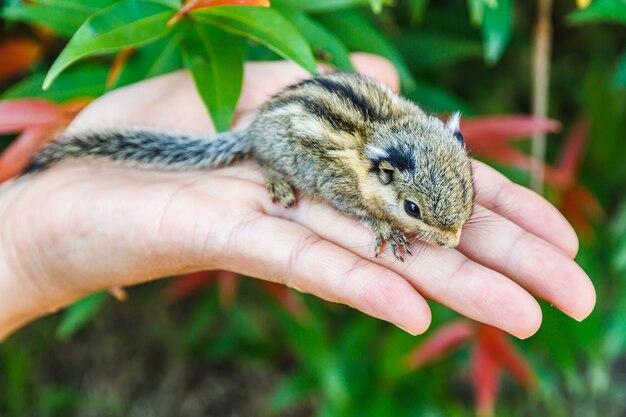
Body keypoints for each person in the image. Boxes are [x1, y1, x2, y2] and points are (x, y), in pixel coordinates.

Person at [0, 54, 595, 340]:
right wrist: (380, 220)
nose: (447, 238)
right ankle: (268, 168)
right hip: (281, 137)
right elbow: (347, 194)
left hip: (312, 115)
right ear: (384, 175)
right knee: (298, 171)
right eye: (417, 216)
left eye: (455, 221)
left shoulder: (425, 142)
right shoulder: (357, 173)